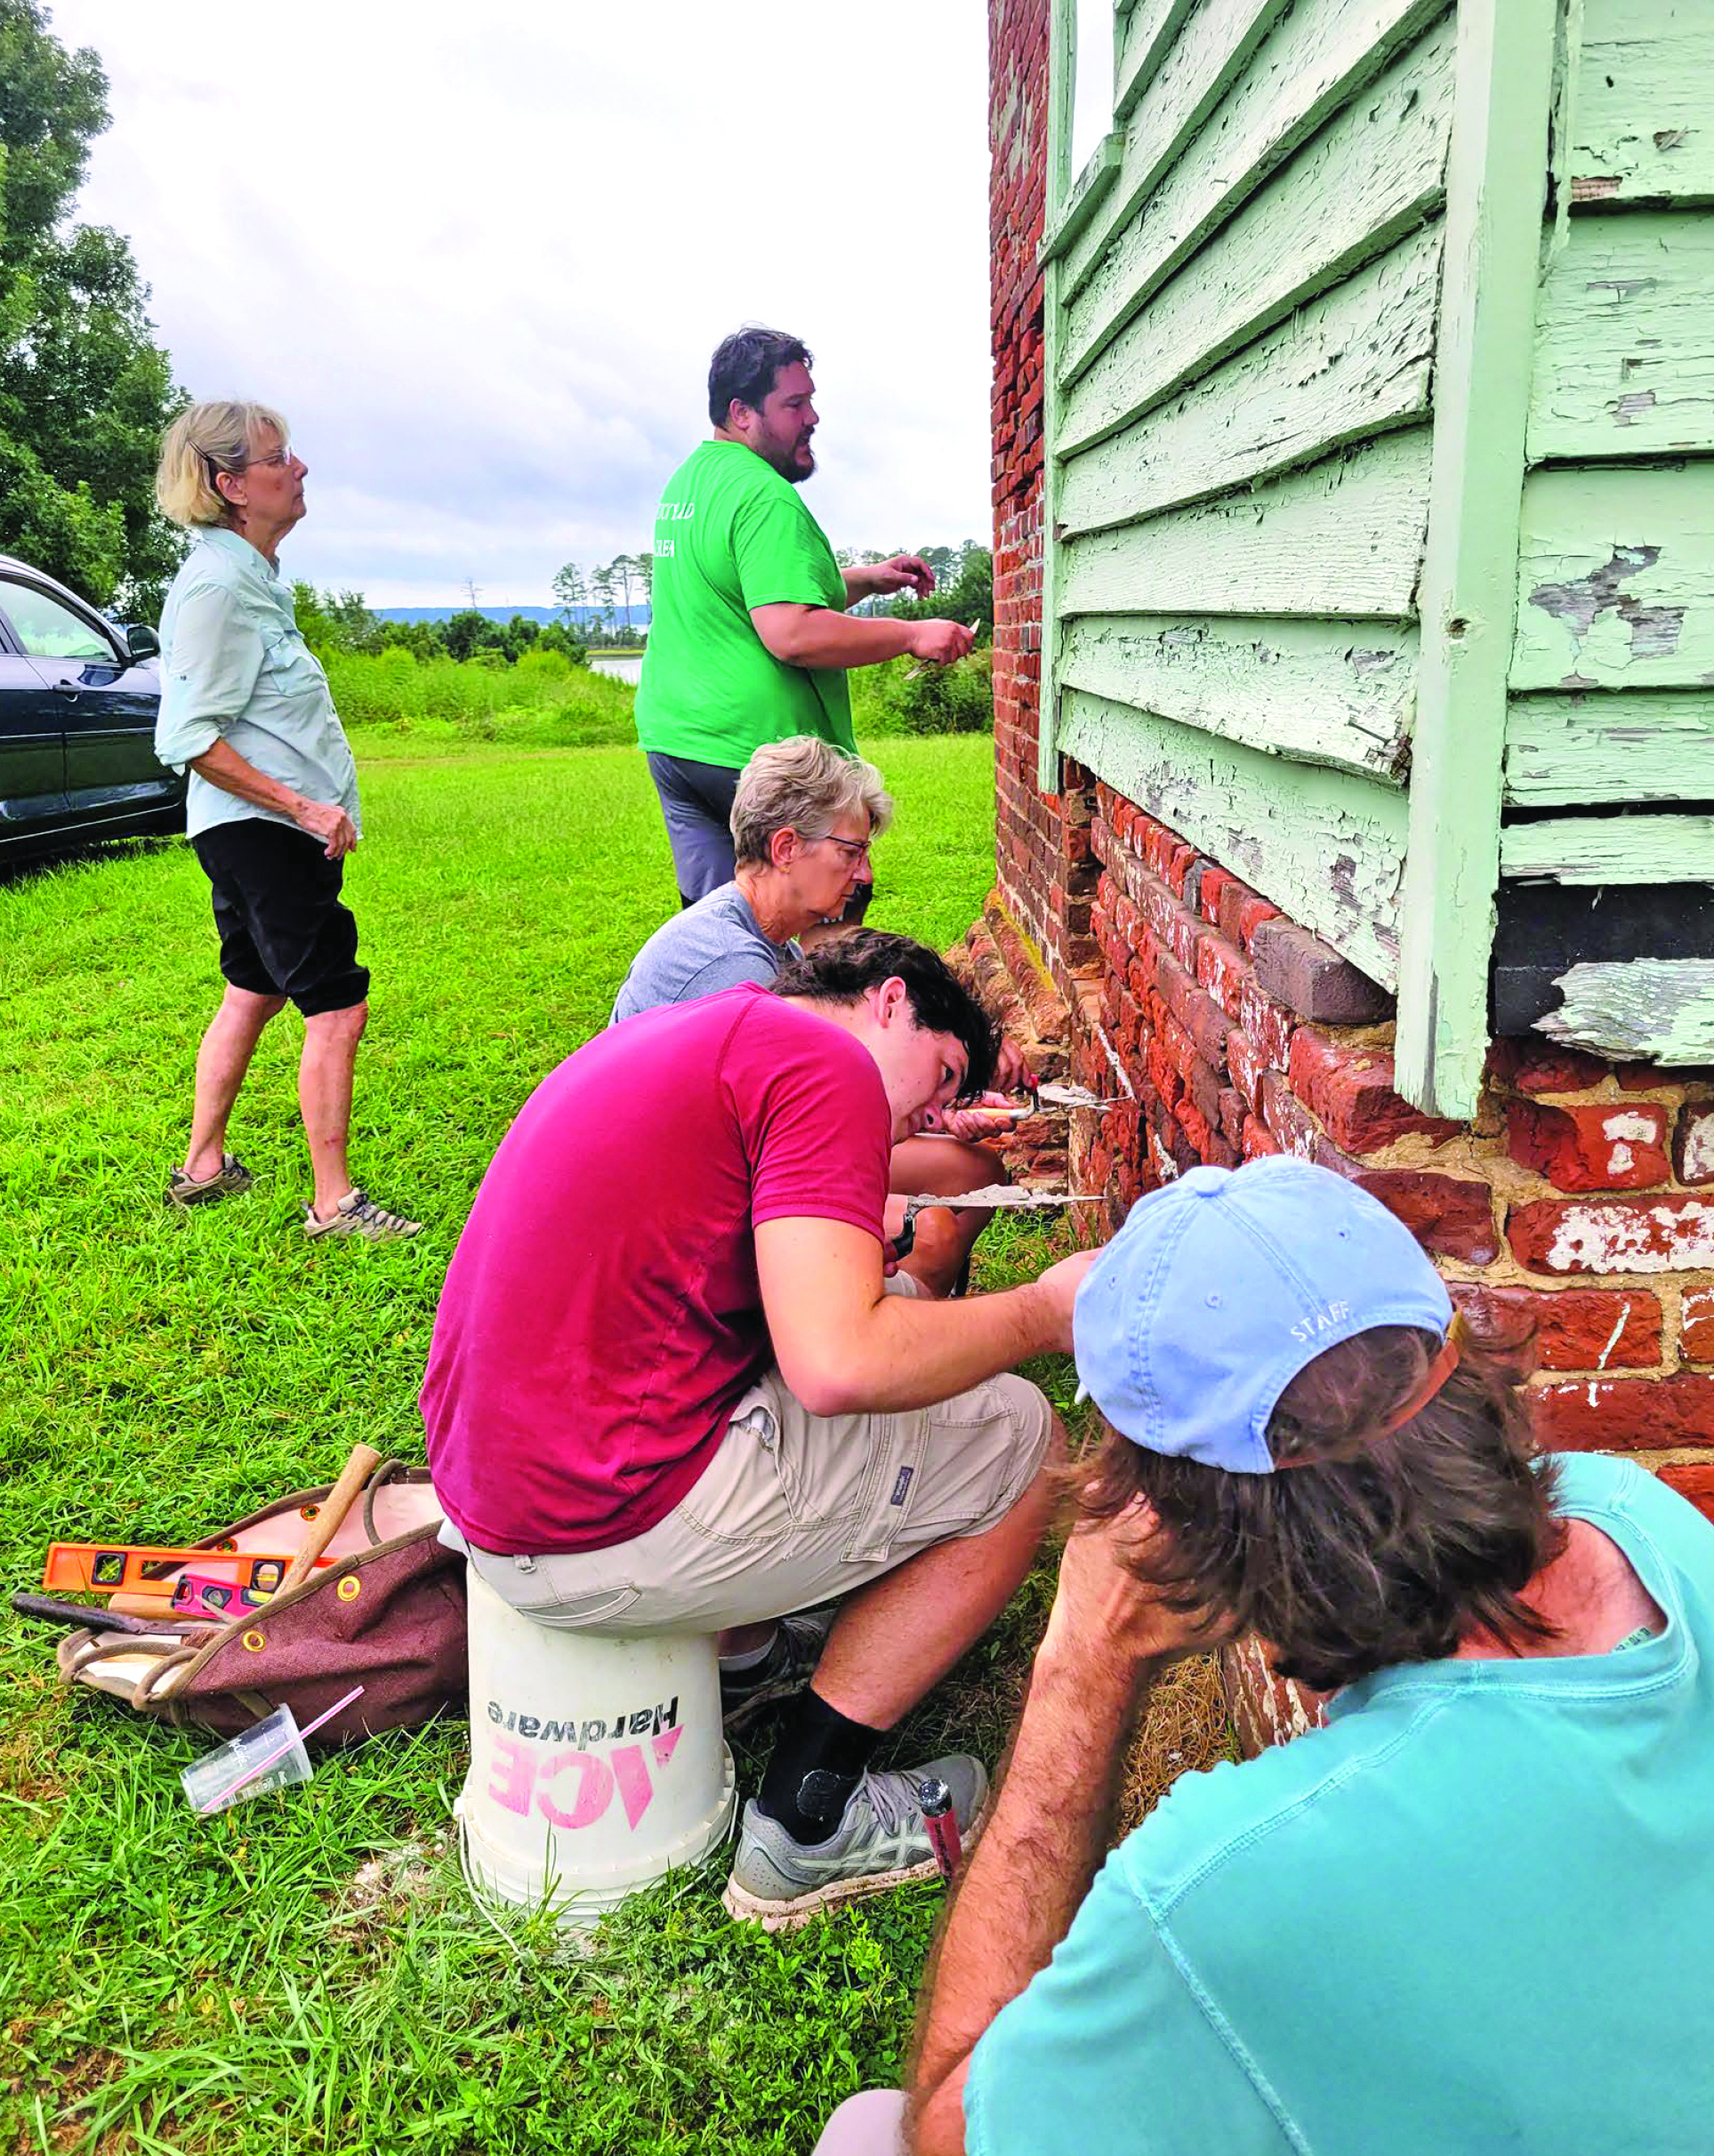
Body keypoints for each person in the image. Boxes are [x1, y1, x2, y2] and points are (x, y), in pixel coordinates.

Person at [813, 1154, 1714, 2154]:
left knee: (868, 2133)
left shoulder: (1226, 1886)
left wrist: (1082, 1664)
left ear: (1177, 1522)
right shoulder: (1640, 1520)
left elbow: (956, 2127)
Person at [422, 934, 1096, 1925]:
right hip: (601, 1527)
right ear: (890, 1003)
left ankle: (748, 1650)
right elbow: (839, 1364)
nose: (933, 1113)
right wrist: (1043, 1313)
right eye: (945, 1075)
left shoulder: (709, 1036)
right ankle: (809, 1820)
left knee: (898, 1325)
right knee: (1018, 1434)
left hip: (501, 1499)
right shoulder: (825, 1066)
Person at [612, 735, 1026, 1297]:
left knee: (973, 1174)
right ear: (786, 848)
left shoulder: (771, 940)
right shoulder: (734, 968)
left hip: (731, 1166)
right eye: (851, 852)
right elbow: (778, 1146)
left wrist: (936, 1107)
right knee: (930, 1234)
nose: (865, 874)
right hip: (679, 1203)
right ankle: (876, 1344)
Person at [151, 399, 418, 1240]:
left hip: (257, 830)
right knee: (336, 1005)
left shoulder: (254, 576)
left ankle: (202, 1166)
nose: (298, 468)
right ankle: (335, 1205)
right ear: (229, 484)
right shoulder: (215, 587)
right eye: (278, 458)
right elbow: (187, 736)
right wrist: (302, 806)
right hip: (262, 832)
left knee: (252, 989)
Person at [635, 326, 978, 903]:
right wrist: (910, 633)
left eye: (811, 399)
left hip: (676, 742)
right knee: (829, 909)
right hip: (755, 754)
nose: (813, 417)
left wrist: (868, 579)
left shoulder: (690, 483)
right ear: (742, 412)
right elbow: (789, 630)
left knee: (720, 919)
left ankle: (726, 995)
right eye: (794, 404)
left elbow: (756, 595)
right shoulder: (764, 494)